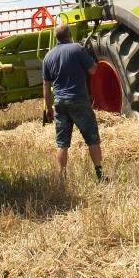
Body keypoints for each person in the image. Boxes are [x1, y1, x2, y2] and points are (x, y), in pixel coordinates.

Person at [42, 23, 105, 183]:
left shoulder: (48, 56)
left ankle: (61, 176)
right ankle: (99, 175)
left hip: (59, 103)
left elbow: (46, 85)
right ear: (70, 35)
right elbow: (92, 70)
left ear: (56, 38)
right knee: (92, 138)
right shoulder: (77, 49)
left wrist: (48, 108)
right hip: (78, 100)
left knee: (62, 143)